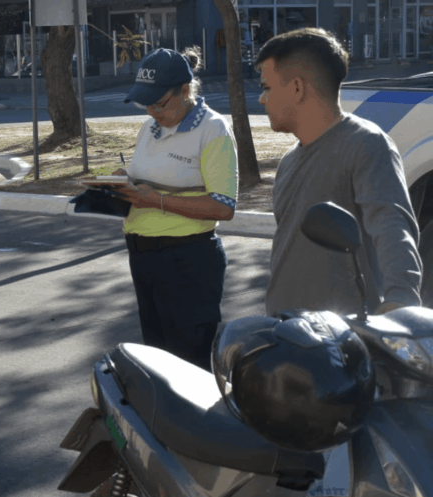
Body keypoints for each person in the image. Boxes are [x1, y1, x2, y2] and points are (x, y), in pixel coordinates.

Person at [256, 28, 422, 316]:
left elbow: (391, 226)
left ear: (296, 87)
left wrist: (401, 300)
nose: (261, 99)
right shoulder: (288, 161)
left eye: (267, 87)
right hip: (286, 331)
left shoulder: (367, 144)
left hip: (344, 338)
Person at [115, 47, 239, 371]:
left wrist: (153, 200)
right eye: (147, 105)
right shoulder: (150, 129)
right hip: (143, 258)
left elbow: (223, 207)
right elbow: (152, 179)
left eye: (160, 104)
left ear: (185, 90)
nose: (153, 112)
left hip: (187, 262)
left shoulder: (213, 129)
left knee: (190, 368)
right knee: (156, 366)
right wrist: (120, 182)